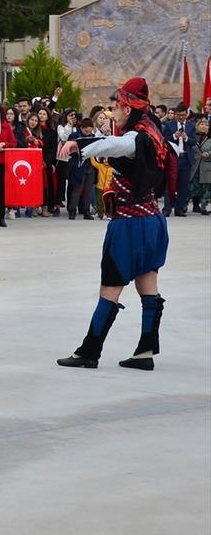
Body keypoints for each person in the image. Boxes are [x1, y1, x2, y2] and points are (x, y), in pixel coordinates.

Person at [57, 77, 169, 372]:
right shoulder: (154, 131)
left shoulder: (136, 137)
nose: (112, 112)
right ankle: (145, 352)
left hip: (130, 225)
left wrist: (77, 145)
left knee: (111, 286)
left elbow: (115, 144)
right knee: (148, 284)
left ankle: (90, 350)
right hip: (152, 221)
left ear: (127, 108)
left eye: (116, 107)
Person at [66, 119, 97, 220]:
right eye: (86, 132)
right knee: (77, 189)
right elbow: (68, 150)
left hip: (90, 164)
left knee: (88, 189)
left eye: (90, 132)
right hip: (78, 165)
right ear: (81, 128)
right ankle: (72, 210)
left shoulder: (93, 137)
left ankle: (86, 210)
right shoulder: (74, 136)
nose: (88, 134)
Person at [194, 117, 211, 215]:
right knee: (192, 187)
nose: (204, 126)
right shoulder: (193, 137)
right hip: (195, 166)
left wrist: (208, 153)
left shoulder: (209, 139)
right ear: (197, 126)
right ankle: (184, 206)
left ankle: (203, 206)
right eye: (202, 124)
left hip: (206, 165)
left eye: (206, 125)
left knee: (206, 188)